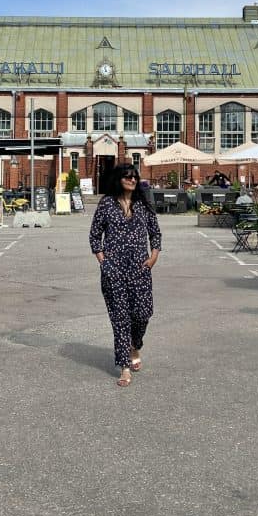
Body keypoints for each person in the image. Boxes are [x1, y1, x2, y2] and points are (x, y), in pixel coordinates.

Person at [89, 164, 162, 388]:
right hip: (114, 271)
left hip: (140, 268)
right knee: (120, 318)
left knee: (142, 314)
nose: (131, 180)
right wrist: (103, 260)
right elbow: (94, 234)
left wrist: (154, 256)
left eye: (134, 177)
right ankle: (124, 367)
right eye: (127, 177)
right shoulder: (107, 204)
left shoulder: (143, 204)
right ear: (119, 179)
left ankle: (135, 345)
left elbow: (155, 232)